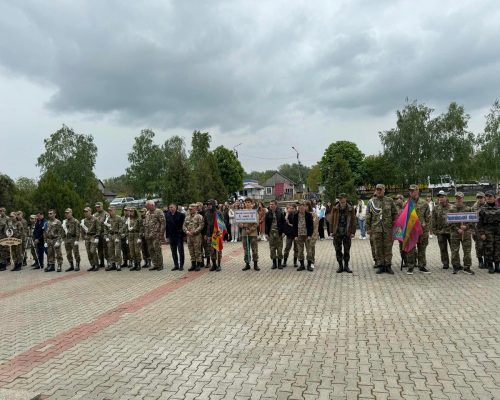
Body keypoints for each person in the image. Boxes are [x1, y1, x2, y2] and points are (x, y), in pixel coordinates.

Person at [366, 184, 398, 274]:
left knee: (388, 248)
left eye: (380, 189)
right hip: (376, 229)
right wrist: (368, 228)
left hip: (388, 229)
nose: (379, 191)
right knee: (378, 248)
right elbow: (368, 215)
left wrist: (395, 224)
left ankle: (388, 266)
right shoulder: (371, 202)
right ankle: (380, 265)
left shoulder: (390, 200)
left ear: (384, 190)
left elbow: (395, 213)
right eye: (377, 189)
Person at [405, 185, 431, 275]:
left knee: (422, 249)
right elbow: (403, 217)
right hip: (411, 231)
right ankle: (410, 267)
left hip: (422, 231)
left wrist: (425, 227)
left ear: (417, 191)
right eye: (410, 191)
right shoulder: (407, 203)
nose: (411, 192)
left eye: (413, 190)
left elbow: (428, 217)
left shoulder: (424, 203)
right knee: (411, 249)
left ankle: (422, 266)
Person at [327, 193, 356, 273]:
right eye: (340, 198)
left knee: (347, 250)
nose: (341, 200)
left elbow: (353, 220)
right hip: (337, 232)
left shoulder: (350, 208)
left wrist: (353, 232)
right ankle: (340, 266)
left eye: (342, 198)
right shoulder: (335, 208)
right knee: (338, 250)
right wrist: (331, 231)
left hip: (347, 232)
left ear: (346, 198)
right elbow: (331, 220)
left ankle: (346, 266)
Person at [449, 192, 474, 274]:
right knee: (455, 251)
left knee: (467, 251)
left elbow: (472, 221)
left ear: (463, 199)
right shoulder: (451, 209)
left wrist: (466, 227)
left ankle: (467, 267)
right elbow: (450, 222)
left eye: (460, 198)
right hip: (455, 234)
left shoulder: (468, 209)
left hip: (466, 233)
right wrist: (457, 229)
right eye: (457, 198)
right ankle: (456, 266)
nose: (458, 199)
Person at [477, 191, 500, 273]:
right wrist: (482, 233)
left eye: (490, 196)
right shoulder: (482, 209)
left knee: (498, 248)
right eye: (487, 196)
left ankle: (497, 266)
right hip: (487, 231)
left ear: (494, 197)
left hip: (498, 231)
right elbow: (479, 223)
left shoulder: (499, 207)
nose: (489, 198)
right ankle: (490, 265)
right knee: (489, 248)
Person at [432, 190, 452, 270]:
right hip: (440, 232)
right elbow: (433, 220)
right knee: (443, 249)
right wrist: (434, 230)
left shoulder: (451, 207)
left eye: (443, 197)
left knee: (453, 248)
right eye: (440, 197)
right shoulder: (436, 208)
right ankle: (445, 263)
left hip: (451, 231)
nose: (441, 198)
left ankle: (455, 263)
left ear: (446, 198)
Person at [144, 200, 166, 271]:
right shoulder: (147, 213)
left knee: (157, 250)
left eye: (148, 205)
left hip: (156, 235)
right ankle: (155, 264)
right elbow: (146, 224)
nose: (146, 207)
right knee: (151, 250)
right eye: (146, 206)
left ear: (152, 205)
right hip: (148, 235)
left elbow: (163, 223)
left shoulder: (159, 211)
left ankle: (160, 265)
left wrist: (161, 234)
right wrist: (146, 233)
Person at [292, 201, 313, 271]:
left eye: (302, 207)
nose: (301, 209)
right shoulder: (295, 215)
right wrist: (295, 235)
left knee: (309, 251)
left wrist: (310, 235)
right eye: (299, 208)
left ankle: (309, 265)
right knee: (300, 251)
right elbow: (294, 226)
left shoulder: (309, 215)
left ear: (304, 207)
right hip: (299, 235)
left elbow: (311, 226)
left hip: (307, 235)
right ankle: (302, 265)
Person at [183, 203, 204, 271]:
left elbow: (201, 226)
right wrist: (187, 232)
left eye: (191, 209)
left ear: (195, 209)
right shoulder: (187, 217)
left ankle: (198, 264)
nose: (190, 210)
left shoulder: (199, 216)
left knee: (197, 250)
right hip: (189, 236)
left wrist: (194, 232)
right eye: (189, 209)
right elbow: (184, 226)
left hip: (196, 236)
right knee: (191, 251)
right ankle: (193, 264)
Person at [240, 198, 260, 271]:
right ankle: (247, 264)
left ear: (251, 203)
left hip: (253, 233)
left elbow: (256, 223)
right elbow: (239, 221)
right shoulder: (241, 212)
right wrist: (241, 225)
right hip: (244, 233)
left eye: (249, 202)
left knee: (254, 249)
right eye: (246, 202)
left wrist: (250, 230)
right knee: (246, 249)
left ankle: (255, 264)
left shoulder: (254, 212)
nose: (247, 203)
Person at [265, 200, 285, 269]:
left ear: (276, 205)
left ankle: (279, 263)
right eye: (270, 204)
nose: (271, 205)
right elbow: (266, 225)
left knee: (279, 248)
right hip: (271, 233)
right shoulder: (267, 214)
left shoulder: (280, 213)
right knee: (272, 248)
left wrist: (283, 232)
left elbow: (283, 223)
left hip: (278, 233)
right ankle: (274, 263)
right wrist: (266, 234)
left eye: (272, 204)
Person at [165, 203, 186, 271]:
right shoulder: (167, 215)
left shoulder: (181, 215)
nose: (170, 208)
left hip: (179, 235)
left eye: (172, 207)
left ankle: (181, 265)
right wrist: (167, 236)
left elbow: (184, 226)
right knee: (173, 251)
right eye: (169, 207)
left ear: (176, 207)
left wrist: (184, 236)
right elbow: (167, 227)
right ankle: (176, 265)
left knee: (180, 251)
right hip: (171, 236)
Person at [104, 206, 124, 271]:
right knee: (110, 251)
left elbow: (121, 228)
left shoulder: (119, 218)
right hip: (110, 236)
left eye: (111, 210)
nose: (110, 212)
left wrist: (118, 236)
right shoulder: (107, 219)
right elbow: (105, 228)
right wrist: (106, 236)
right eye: (109, 211)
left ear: (114, 211)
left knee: (117, 251)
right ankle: (113, 264)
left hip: (116, 235)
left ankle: (118, 264)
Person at [81, 207, 100, 271]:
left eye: (87, 212)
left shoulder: (95, 219)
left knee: (93, 251)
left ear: (90, 212)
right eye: (84, 212)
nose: (85, 213)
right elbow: (82, 230)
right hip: (87, 238)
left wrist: (97, 237)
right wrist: (83, 237)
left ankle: (97, 265)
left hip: (93, 237)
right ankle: (92, 265)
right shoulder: (84, 221)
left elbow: (98, 229)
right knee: (88, 252)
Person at [471, 192, 486, 269]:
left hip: (487, 229)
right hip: (477, 229)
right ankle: (480, 261)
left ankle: (487, 261)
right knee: (479, 246)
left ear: (484, 198)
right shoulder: (474, 207)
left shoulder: (488, 205)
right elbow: (471, 219)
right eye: (478, 198)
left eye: (481, 197)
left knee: (487, 245)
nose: (480, 199)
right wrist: (472, 230)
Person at [93, 202, 109, 269]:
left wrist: (107, 234)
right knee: (99, 249)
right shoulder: (94, 215)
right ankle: (101, 262)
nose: (98, 208)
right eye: (96, 207)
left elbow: (108, 224)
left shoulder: (106, 214)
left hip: (104, 233)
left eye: (99, 207)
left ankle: (109, 262)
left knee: (106, 249)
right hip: (97, 234)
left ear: (102, 206)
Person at [306, 200, 319, 270]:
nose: (304, 207)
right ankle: (309, 261)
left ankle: (311, 262)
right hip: (304, 235)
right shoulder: (301, 214)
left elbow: (315, 225)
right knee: (308, 249)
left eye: (306, 206)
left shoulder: (313, 214)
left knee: (311, 248)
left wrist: (314, 235)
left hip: (312, 235)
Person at [0, 207, 8, 271]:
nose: (1, 212)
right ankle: (1, 263)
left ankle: (4, 265)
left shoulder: (7, 218)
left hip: (4, 237)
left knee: (4, 251)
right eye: (0, 211)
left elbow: (9, 227)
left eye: (2, 211)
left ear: (4, 211)